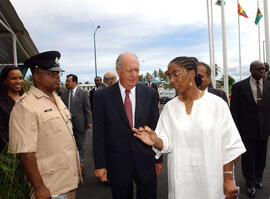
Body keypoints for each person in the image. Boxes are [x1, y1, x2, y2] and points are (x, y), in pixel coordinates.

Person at [133, 56, 246, 199]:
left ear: (192, 73)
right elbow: (166, 143)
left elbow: (230, 145)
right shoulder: (169, 108)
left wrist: (229, 178)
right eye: (169, 76)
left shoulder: (217, 104)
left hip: (211, 182)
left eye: (176, 74)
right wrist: (156, 141)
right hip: (181, 183)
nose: (172, 80)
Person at [8, 51, 80, 199]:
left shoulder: (56, 99)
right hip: (50, 186)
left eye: (58, 73)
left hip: (69, 180)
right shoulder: (25, 106)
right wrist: (39, 187)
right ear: (37, 76)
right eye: (51, 73)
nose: (57, 77)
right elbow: (25, 152)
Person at [93, 52, 162, 199]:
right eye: (129, 70)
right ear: (118, 71)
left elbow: (156, 128)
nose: (134, 74)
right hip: (117, 163)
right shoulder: (102, 96)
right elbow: (98, 133)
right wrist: (100, 164)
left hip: (145, 160)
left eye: (137, 70)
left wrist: (158, 158)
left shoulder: (149, 94)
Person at [230, 60, 270, 197]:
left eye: (263, 69)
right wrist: (236, 130)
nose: (262, 71)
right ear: (251, 69)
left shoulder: (269, 86)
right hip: (246, 131)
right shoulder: (238, 87)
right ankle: (250, 183)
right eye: (259, 69)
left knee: (261, 157)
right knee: (248, 158)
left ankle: (258, 179)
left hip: (264, 130)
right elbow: (233, 111)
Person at [62, 74, 92, 170]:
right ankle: (73, 165)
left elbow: (87, 108)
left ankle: (81, 166)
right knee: (70, 146)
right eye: (66, 81)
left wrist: (89, 122)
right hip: (68, 125)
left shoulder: (83, 93)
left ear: (74, 82)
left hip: (80, 124)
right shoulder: (64, 94)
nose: (66, 83)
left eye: (68, 81)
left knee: (81, 145)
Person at [0, 66, 23, 151]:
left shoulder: (27, 98)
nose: (18, 81)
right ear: (5, 81)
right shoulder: (1, 103)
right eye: (14, 78)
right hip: (9, 151)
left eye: (20, 78)